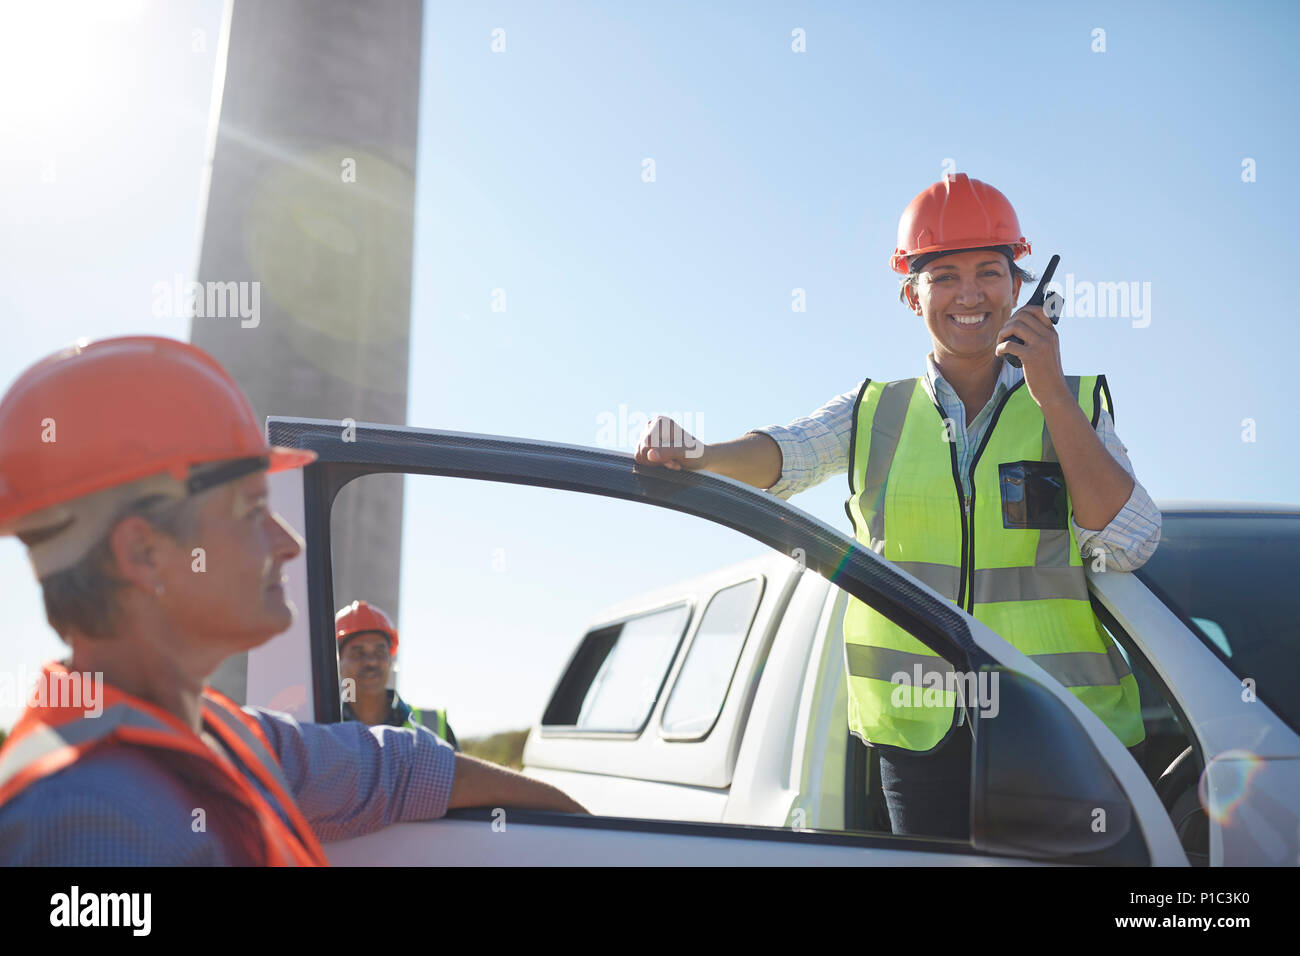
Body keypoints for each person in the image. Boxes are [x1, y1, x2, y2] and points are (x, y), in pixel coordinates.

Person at [634, 173, 1158, 840]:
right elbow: (785, 454)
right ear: (913, 295)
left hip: (1065, 732)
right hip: (919, 743)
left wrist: (1049, 393)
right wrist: (702, 456)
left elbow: (1130, 543)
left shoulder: (1075, 405)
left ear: (1020, 289)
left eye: (989, 272)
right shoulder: (874, 412)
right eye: (944, 276)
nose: (970, 294)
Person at [0, 336, 585, 865]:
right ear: (145, 554)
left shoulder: (212, 731)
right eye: (253, 509)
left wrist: (579, 824)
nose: (288, 542)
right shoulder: (86, 820)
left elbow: (396, 769)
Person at [336, 599, 458, 749]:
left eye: (380, 652)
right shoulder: (324, 726)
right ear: (338, 663)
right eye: (358, 653)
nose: (371, 662)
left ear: (390, 659)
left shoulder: (432, 725)